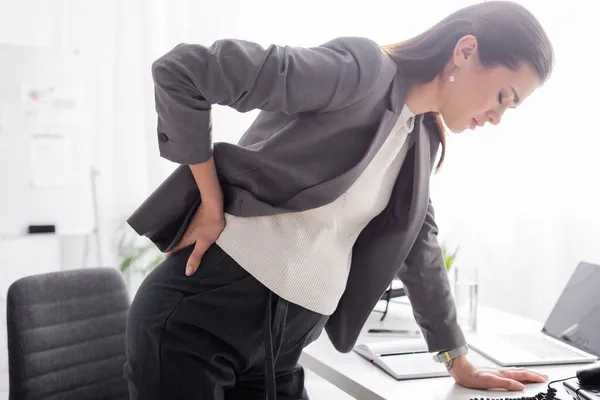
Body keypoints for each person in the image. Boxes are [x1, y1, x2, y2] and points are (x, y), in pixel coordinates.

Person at [124, 1, 554, 399]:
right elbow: (184, 71)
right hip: (197, 324)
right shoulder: (361, 72)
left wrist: (457, 360)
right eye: (503, 97)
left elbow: (421, 253)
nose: (498, 118)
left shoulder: (421, 140)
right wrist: (210, 201)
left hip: (281, 350)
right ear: (465, 51)